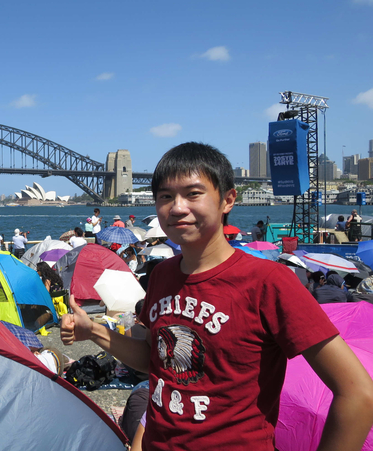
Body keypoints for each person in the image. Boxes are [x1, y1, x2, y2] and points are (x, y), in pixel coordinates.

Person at [61, 141, 373, 451]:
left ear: (227, 200)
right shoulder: (162, 276)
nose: (178, 207)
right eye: (165, 197)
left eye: (193, 194)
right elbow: (153, 360)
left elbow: (357, 392)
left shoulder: (269, 282)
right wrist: (95, 332)